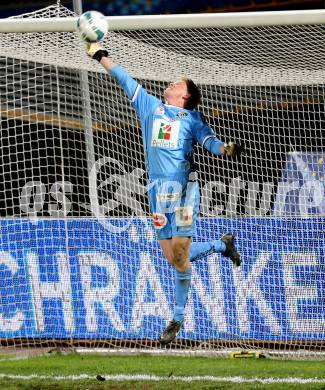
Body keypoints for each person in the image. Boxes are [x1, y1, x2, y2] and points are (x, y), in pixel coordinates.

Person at [86, 43, 243, 345]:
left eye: (178, 83)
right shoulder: (150, 107)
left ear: (185, 95)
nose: (171, 83)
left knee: (181, 254)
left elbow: (210, 142)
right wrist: (100, 55)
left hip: (185, 190)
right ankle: (222, 246)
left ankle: (177, 318)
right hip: (157, 193)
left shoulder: (192, 119)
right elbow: (124, 79)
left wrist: (226, 149)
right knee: (174, 259)